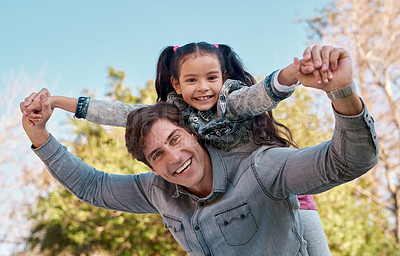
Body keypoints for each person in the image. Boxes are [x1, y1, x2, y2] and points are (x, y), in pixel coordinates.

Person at [21, 46, 378, 255]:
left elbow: (345, 159)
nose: (172, 157)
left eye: (175, 141)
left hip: (286, 193)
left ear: (193, 135)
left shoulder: (249, 140)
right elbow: (97, 172)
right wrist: (49, 115)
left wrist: (332, 87)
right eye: (157, 154)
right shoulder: (168, 147)